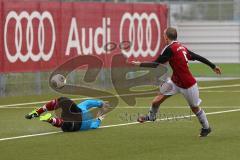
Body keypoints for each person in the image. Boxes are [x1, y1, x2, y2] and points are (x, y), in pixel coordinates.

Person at [130, 27, 221, 137]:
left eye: (164, 35)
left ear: (166, 37)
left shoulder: (170, 48)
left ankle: (206, 128)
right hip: (174, 82)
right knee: (156, 101)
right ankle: (151, 116)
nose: (163, 36)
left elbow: (155, 64)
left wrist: (139, 64)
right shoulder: (181, 47)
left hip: (188, 85)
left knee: (194, 108)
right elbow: (197, 57)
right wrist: (213, 66)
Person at [25, 97, 109, 132]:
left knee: (63, 101)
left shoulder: (81, 107)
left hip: (76, 123)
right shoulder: (81, 108)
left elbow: (89, 102)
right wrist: (100, 118)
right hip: (76, 123)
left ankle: (44, 115)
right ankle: (43, 116)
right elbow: (94, 126)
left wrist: (100, 105)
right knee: (67, 123)